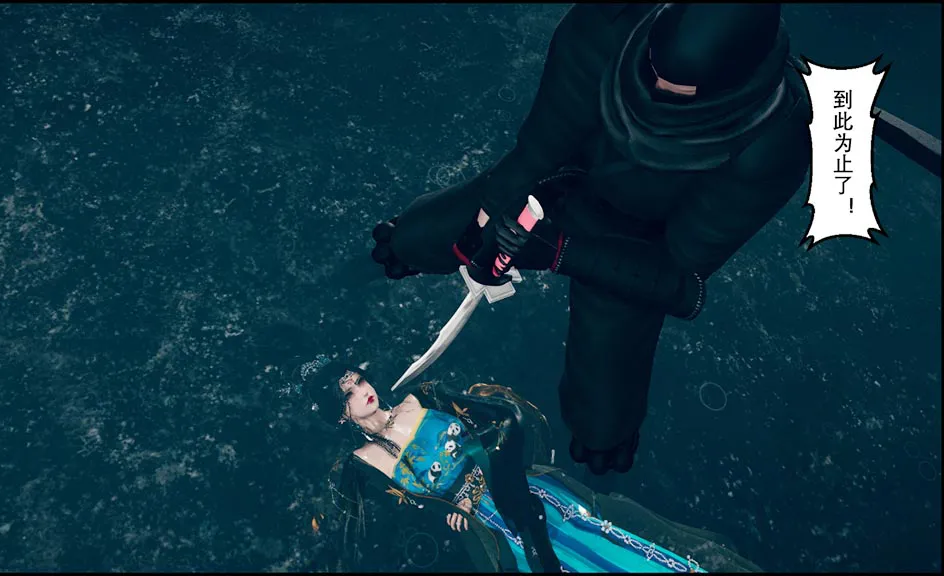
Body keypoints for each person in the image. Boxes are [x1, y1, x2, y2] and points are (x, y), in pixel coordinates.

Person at [369, 3, 811, 478]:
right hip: (562, 180)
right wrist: (483, 222)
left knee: (601, 422)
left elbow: (679, 279)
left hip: (638, 245)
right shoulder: (607, 23)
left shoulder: (775, 138)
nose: (657, 92)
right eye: (654, 72)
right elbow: (541, 144)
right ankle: (412, 246)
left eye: (680, 91)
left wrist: (560, 252)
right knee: (415, 237)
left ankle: (607, 436)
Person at [298, 355, 762, 573]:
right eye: (349, 393)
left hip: (517, 488)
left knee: (595, 536)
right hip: (490, 529)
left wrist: (481, 472)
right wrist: (448, 513)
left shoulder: (422, 399)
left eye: (359, 381)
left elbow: (501, 422)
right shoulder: (362, 463)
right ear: (341, 413)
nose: (363, 391)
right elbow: (403, 517)